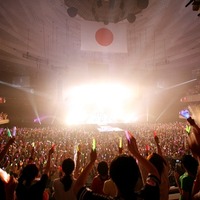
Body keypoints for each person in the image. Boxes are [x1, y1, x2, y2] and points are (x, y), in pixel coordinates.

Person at [73, 132, 160, 200]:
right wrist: (135, 153)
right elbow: (154, 172)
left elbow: (77, 187)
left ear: (112, 178)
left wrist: (91, 161)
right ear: (136, 175)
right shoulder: (146, 196)